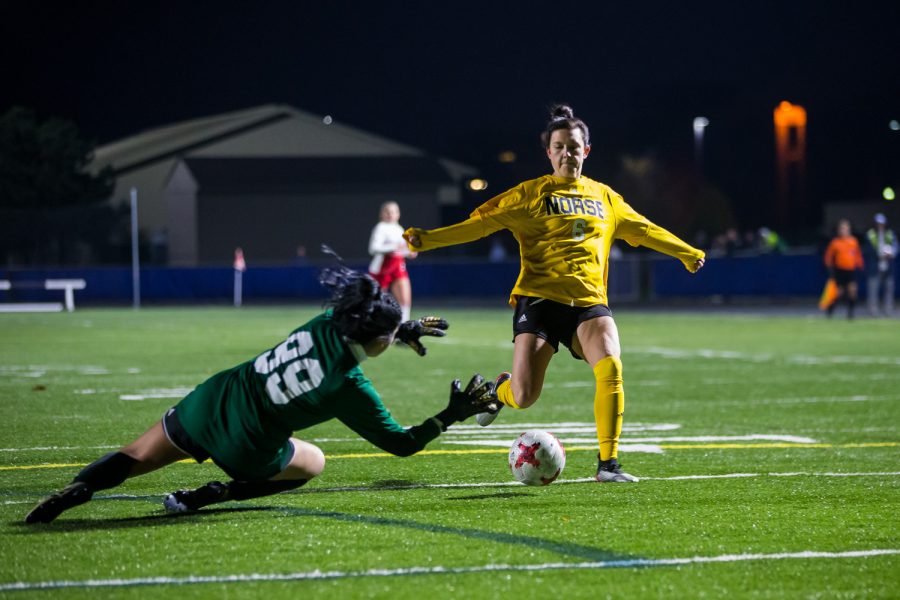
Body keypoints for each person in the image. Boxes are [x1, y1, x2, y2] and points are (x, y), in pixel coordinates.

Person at [25, 266, 498, 524]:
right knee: (314, 462)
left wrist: (398, 327)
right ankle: (217, 493)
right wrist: (450, 414)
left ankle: (81, 487)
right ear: (377, 336)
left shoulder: (324, 322)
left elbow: (362, 325)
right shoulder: (350, 387)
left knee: (134, 455)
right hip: (247, 444)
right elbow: (402, 444)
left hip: (212, 400)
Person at [404, 105, 705, 483]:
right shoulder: (530, 194)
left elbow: (643, 230)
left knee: (611, 364)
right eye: (559, 146)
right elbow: (479, 226)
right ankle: (500, 390)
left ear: (586, 151)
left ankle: (608, 464)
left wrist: (685, 252)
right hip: (540, 301)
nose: (567, 153)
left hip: (589, 304)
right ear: (548, 152)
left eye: (574, 147)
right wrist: (428, 240)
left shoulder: (605, 198)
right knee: (525, 395)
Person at [369, 201, 416, 322]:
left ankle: (403, 329)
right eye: (387, 211)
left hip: (398, 266)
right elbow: (373, 249)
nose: (390, 214)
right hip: (381, 269)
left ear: (398, 214)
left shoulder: (399, 229)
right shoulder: (380, 228)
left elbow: (400, 251)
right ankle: (369, 328)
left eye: (394, 211)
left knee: (405, 300)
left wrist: (410, 252)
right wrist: (394, 246)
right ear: (382, 214)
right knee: (374, 302)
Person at [823, 219, 864, 319]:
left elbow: (857, 255)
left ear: (849, 229)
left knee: (852, 290)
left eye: (845, 228)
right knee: (838, 293)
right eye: (841, 228)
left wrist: (861, 265)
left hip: (850, 270)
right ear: (838, 230)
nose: (843, 230)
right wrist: (829, 268)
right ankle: (830, 311)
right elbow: (828, 256)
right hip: (839, 271)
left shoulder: (853, 241)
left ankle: (850, 314)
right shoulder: (835, 243)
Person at [864, 213, 897, 317]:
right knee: (873, 289)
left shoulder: (890, 234)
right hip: (875, 266)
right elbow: (867, 250)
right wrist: (879, 254)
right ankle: (873, 310)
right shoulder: (870, 234)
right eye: (878, 223)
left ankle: (888, 310)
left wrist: (891, 253)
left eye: (882, 223)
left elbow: (896, 247)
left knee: (889, 289)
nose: (880, 225)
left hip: (888, 266)